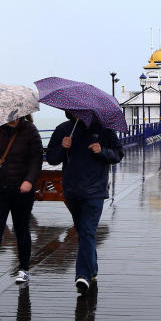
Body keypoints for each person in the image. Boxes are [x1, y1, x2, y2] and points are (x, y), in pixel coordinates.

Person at [46, 111, 124, 296]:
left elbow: (118, 154)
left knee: (88, 230)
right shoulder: (63, 130)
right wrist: (62, 148)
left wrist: (102, 151)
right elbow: (51, 159)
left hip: (95, 190)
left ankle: (83, 276)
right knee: (83, 231)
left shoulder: (104, 130)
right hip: (72, 190)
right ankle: (92, 268)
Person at [0, 114, 43, 290]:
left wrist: (29, 180)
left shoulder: (29, 130)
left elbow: (37, 158)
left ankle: (24, 269)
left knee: (21, 230)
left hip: (22, 191)